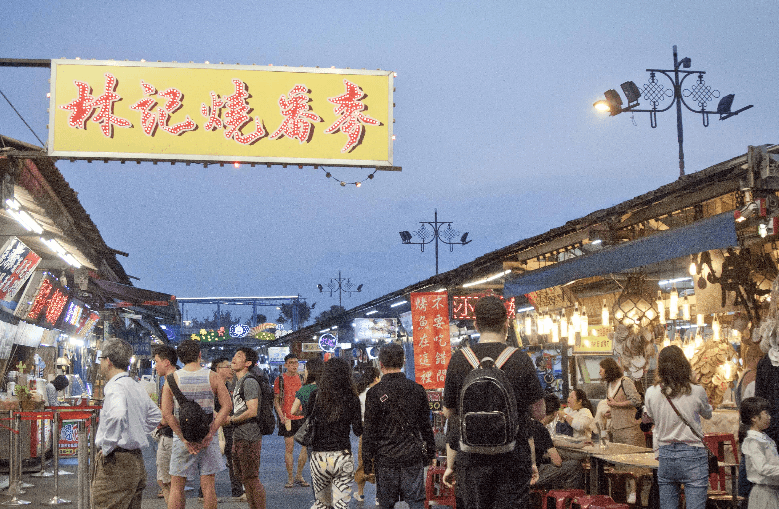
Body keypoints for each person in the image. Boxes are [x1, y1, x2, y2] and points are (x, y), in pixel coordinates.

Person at [442, 296, 545, 509]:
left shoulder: (460, 359)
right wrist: (532, 461)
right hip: (513, 458)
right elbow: (539, 413)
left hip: (471, 460)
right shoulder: (520, 359)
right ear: (506, 323)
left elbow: (448, 412)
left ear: (476, 324)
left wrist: (451, 463)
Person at [161, 340, 232, 509]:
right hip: (207, 436)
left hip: (182, 437)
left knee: (177, 485)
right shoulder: (212, 376)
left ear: (180, 358)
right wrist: (211, 431)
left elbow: (167, 414)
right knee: (208, 485)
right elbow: (227, 406)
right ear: (199, 355)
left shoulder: (171, 379)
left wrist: (183, 438)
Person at [363, 344, 435, 509]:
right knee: (416, 502)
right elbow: (425, 425)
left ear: (380, 364)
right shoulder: (417, 389)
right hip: (412, 455)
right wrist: (431, 452)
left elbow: (369, 431)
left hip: (385, 458)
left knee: (386, 503)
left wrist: (367, 462)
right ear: (403, 361)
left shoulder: (374, 393)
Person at [92, 338, 162, 509]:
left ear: (108, 361)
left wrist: (108, 445)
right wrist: (135, 429)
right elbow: (155, 415)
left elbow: (117, 415)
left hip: (116, 463)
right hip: (136, 461)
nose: (100, 363)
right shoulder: (134, 385)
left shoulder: (115, 387)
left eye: (101, 359)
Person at [644, 345, 713, 509]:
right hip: (693, 453)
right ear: (684, 364)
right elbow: (708, 414)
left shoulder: (652, 392)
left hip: (665, 454)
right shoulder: (697, 391)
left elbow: (647, 419)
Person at [305, 357, 363, 509]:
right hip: (342, 455)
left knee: (322, 504)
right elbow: (358, 431)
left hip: (319, 457)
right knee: (341, 505)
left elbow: (309, 422)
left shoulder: (315, 396)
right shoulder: (352, 398)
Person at [228, 348, 267, 509]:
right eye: (234, 355)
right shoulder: (238, 382)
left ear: (248, 363)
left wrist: (231, 420)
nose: (234, 359)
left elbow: (252, 410)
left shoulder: (249, 382)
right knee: (245, 478)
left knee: (252, 478)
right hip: (240, 435)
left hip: (249, 435)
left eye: (239, 356)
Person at [530, 393, 584, 490]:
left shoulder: (530, 424)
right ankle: (566, 501)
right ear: (555, 413)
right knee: (574, 466)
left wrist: (578, 445)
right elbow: (557, 462)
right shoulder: (541, 430)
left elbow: (552, 442)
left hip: (523, 473)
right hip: (535, 474)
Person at [274, 353, 309, 488]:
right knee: (289, 448)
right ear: (286, 365)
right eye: (291, 363)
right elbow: (276, 400)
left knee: (305, 446)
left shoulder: (302, 378)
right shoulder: (280, 379)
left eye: (296, 362)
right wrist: (281, 416)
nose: (294, 365)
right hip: (287, 418)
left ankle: (299, 475)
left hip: (301, 417)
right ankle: (290, 478)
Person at [212, 357, 245, 501]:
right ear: (218, 369)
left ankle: (237, 491)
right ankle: (204, 494)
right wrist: (220, 418)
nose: (231, 369)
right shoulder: (212, 384)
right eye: (227, 366)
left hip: (228, 426)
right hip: (215, 429)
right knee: (211, 460)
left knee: (233, 458)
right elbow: (208, 407)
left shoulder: (228, 385)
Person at [740, 396, 779, 509]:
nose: (769, 417)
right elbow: (762, 468)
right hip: (763, 493)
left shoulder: (764, 438)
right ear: (754, 418)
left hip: (773, 490)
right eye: (765, 413)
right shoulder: (753, 441)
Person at [152, 344, 178, 504]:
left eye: (157, 362)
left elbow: (166, 416)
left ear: (166, 362)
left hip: (169, 435)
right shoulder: (181, 376)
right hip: (179, 435)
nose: (155, 366)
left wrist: (156, 423)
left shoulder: (169, 382)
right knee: (175, 481)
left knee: (166, 482)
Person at [599, 358, 645, 446]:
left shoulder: (625, 381)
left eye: (601, 369)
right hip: (616, 430)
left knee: (633, 457)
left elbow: (637, 401)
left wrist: (617, 404)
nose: (600, 372)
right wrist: (612, 411)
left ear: (609, 369)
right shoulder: (608, 385)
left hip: (630, 429)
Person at [354, 365, 380, 503]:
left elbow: (357, 417)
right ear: (375, 378)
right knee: (378, 462)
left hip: (365, 431)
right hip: (380, 431)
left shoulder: (360, 394)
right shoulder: (379, 393)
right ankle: (378, 496)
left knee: (363, 461)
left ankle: (360, 493)